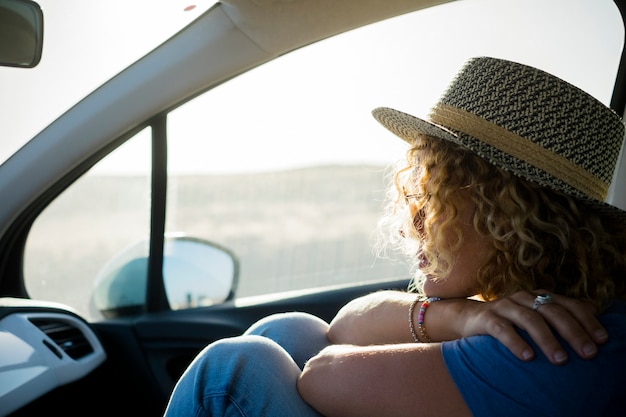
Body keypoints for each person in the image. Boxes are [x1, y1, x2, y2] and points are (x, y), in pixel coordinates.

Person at [163, 57, 626, 417]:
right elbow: (344, 325)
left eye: (437, 203)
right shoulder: (574, 309)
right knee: (289, 330)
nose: (413, 226)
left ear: (510, 218)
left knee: (232, 369)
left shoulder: (556, 344)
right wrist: (463, 317)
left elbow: (321, 377)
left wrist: (470, 322)